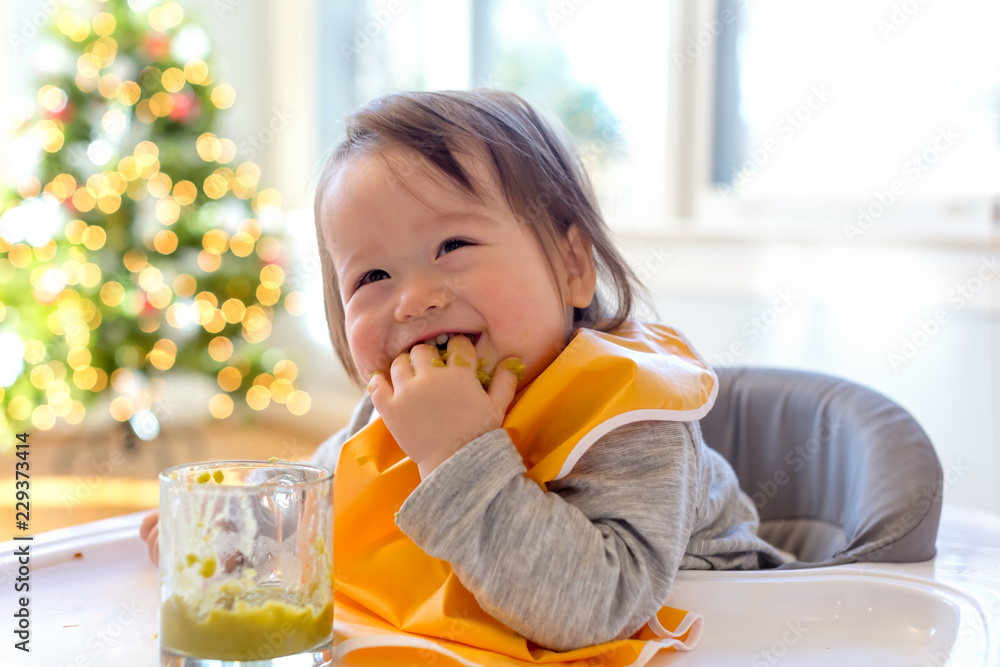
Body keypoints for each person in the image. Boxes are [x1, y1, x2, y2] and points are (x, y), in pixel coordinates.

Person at [143, 89, 785, 665]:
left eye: (452, 247)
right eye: (371, 278)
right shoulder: (401, 405)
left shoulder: (626, 419)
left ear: (571, 268)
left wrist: (457, 455)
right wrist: (239, 533)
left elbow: (594, 610)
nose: (414, 299)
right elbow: (332, 506)